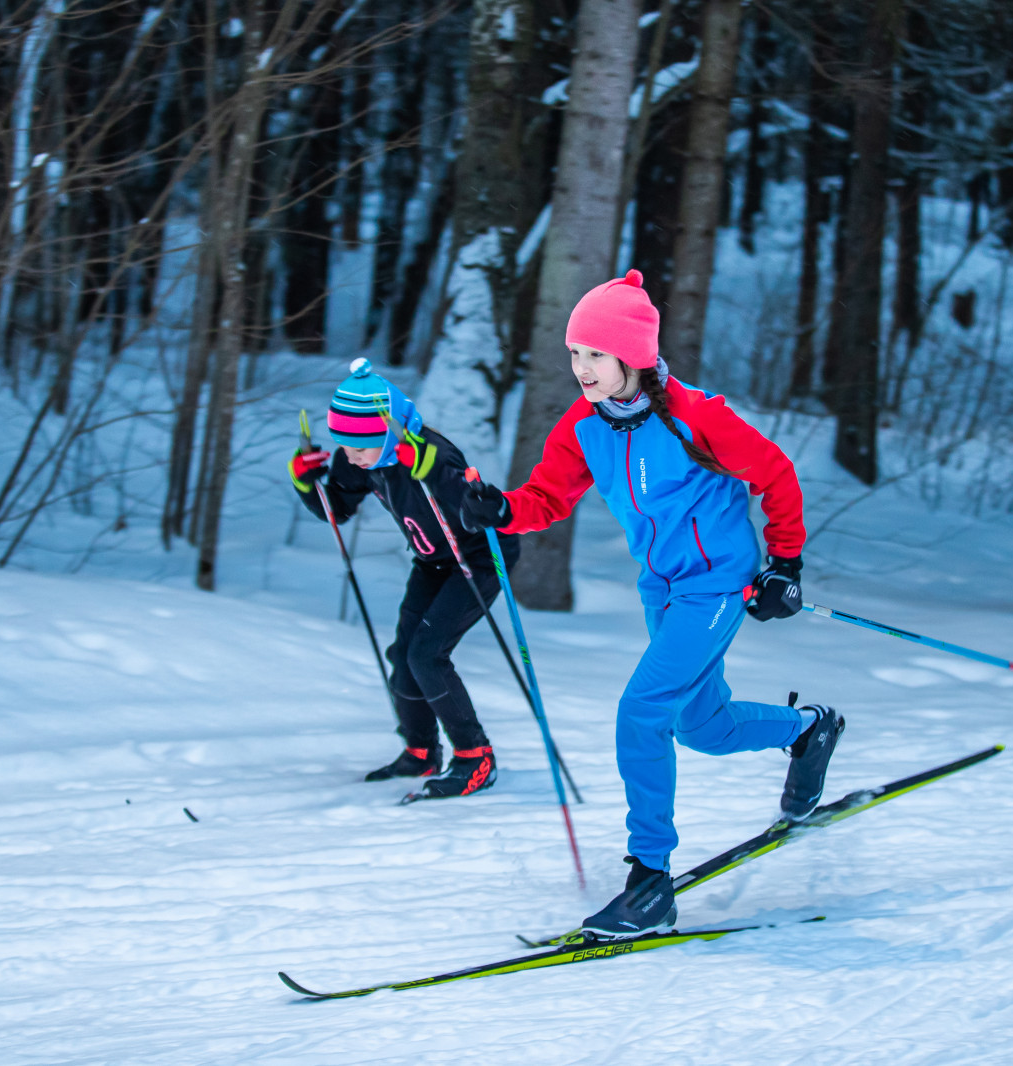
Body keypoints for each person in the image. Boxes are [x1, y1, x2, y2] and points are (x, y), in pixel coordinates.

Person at [458, 270, 843, 937]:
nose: (582, 368)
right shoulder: (584, 425)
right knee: (703, 728)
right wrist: (503, 510)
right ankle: (808, 730)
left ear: (632, 356)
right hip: (659, 586)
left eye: (596, 355)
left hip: (718, 585)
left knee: (642, 711)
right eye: (576, 353)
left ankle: (649, 880)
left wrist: (785, 563)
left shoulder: (696, 416)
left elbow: (774, 473)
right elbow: (547, 498)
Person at [291, 359, 520, 800]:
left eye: (360, 446)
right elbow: (335, 510)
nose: (352, 457)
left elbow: (474, 512)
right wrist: (309, 484)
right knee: (404, 653)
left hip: (477, 558)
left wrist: (434, 472)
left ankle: (476, 758)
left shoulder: (432, 453)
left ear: (388, 434)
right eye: (344, 445)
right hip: (433, 561)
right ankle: (420, 752)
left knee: (428, 654)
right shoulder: (358, 458)